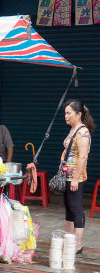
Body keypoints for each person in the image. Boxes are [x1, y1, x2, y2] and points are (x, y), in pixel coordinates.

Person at [61, 100, 94, 255]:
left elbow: (82, 158)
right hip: (67, 176)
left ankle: (77, 244)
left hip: (75, 178)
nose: (66, 116)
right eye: (65, 113)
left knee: (76, 209)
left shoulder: (82, 132)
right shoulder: (73, 129)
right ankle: (69, 240)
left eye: (69, 113)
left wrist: (75, 178)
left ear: (79, 114)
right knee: (69, 209)